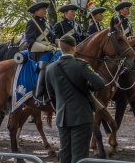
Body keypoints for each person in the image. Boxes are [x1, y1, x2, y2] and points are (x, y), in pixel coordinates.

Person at [45, 35, 105, 163]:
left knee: (64, 154)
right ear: (74, 47)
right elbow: (100, 84)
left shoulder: (50, 68)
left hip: (62, 118)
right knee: (79, 156)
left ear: (61, 48)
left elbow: (51, 94)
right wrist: (88, 86)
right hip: (81, 117)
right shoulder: (81, 65)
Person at [25, 0, 58, 107]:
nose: (45, 11)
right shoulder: (32, 23)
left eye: (45, 9)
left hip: (50, 50)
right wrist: (45, 47)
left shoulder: (47, 24)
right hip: (38, 53)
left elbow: (54, 39)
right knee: (45, 66)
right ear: (36, 11)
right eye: (43, 9)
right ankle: (38, 95)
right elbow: (30, 43)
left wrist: (62, 44)